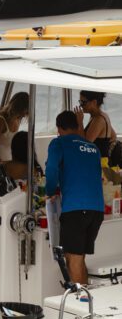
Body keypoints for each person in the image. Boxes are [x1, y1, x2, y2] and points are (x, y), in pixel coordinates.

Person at [45, 111, 104, 285]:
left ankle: (82, 307)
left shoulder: (59, 143)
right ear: (78, 126)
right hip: (97, 210)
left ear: (59, 128)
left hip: (76, 209)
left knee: (73, 260)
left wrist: (50, 191)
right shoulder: (93, 147)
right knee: (80, 258)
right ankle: (86, 301)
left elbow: (51, 171)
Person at [75, 90, 119, 161]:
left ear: (94, 102)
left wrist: (80, 122)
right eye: (80, 102)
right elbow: (113, 136)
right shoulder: (100, 116)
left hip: (98, 164)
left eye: (83, 102)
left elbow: (85, 144)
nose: (81, 105)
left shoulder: (99, 119)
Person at [0, 91, 29, 163]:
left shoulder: (17, 120)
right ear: (18, 107)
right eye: (24, 111)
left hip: (10, 164)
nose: (24, 115)